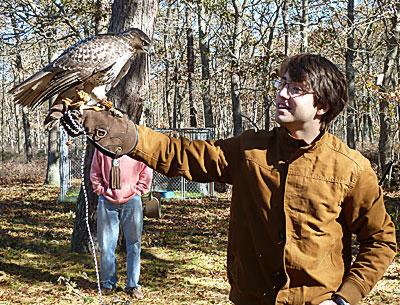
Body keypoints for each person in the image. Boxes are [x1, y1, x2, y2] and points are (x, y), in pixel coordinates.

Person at [63, 54, 396, 305]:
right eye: (282, 83)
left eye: (295, 89)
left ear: (321, 106)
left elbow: (381, 240)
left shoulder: (351, 168)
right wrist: (104, 124)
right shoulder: (249, 150)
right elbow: (179, 154)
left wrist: (344, 298)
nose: (281, 93)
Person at [90, 148, 153, 299]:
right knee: (106, 245)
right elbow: (94, 171)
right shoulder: (102, 147)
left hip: (132, 200)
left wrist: (139, 190)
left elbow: (147, 169)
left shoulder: (136, 147)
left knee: (134, 244)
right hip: (107, 201)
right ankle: (108, 283)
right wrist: (100, 189)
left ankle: (133, 285)